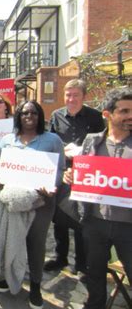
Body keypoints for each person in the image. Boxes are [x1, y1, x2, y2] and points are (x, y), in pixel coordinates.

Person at [0, 101, 65, 309]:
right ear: (18, 116)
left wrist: (52, 185)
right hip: (13, 202)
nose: (29, 116)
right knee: (12, 239)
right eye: (24, 113)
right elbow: (1, 167)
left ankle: (35, 286)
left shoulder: (52, 140)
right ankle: (10, 278)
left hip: (39, 203)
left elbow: (60, 170)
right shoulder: (7, 140)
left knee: (35, 244)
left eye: (33, 112)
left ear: (40, 116)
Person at [63, 87, 132, 309]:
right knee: (94, 273)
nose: (130, 116)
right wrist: (71, 176)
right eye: (124, 111)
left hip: (128, 226)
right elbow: (83, 173)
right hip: (95, 221)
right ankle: (94, 308)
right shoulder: (92, 142)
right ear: (107, 114)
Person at [44, 79, 105, 275]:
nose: (71, 99)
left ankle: (81, 263)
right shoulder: (56, 115)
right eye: (68, 95)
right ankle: (60, 257)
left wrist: (81, 152)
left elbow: (102, 146)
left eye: (75, 95)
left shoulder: (95, 118)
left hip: (87, 175)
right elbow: (50, 145)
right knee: (60, 218)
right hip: (63, 174)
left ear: (84, 96)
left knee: (82, 221)